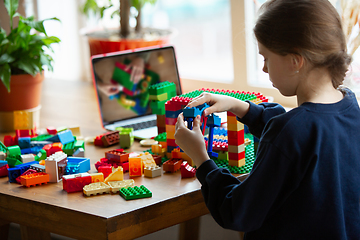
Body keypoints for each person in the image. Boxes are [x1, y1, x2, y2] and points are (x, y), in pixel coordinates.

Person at [174, 0, 360, 239]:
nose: (263, 69)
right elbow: (299, 135)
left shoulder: (291, 132)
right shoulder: (349, 107)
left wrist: (200, 158)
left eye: (266, 58)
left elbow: (237, 212)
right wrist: (240, 107)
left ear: (295, 61)